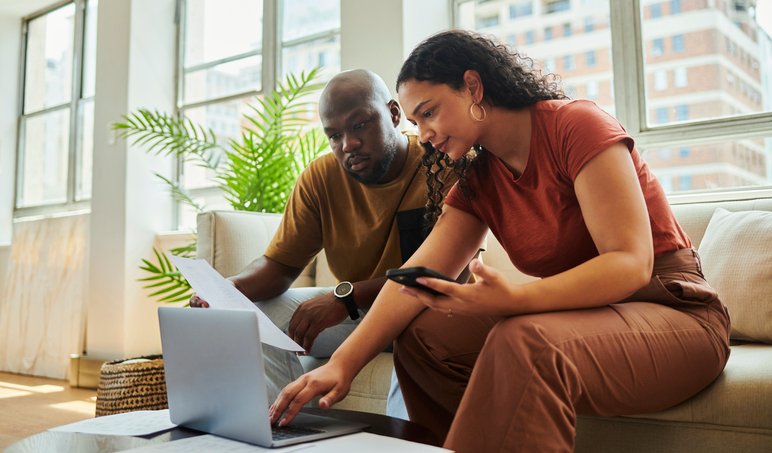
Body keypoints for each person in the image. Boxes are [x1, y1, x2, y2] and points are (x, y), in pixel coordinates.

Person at [268, 30, 731, 452]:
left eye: (428, 113)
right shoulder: (479, 175)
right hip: (585, 317)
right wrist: (343, 364)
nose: (423, 134)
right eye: (414, 120)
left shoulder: (576, 125)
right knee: (424, 335)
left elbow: (629, 264)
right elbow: (415, 280)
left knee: (524, 338)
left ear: (473, 86)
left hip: (675, 314)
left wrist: (518, 300)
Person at [190, 69, 461, 418]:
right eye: (334, 135)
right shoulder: (321, 178)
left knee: (416, 332)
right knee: (251, 313)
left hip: (428, 311)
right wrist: (227, 290)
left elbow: (437, 277)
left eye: (359, 125)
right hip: (357, 311)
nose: (347, 144)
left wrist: (343, 298)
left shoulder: (440, 165)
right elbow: (279, 266)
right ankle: (279, 426)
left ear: (394, 114)